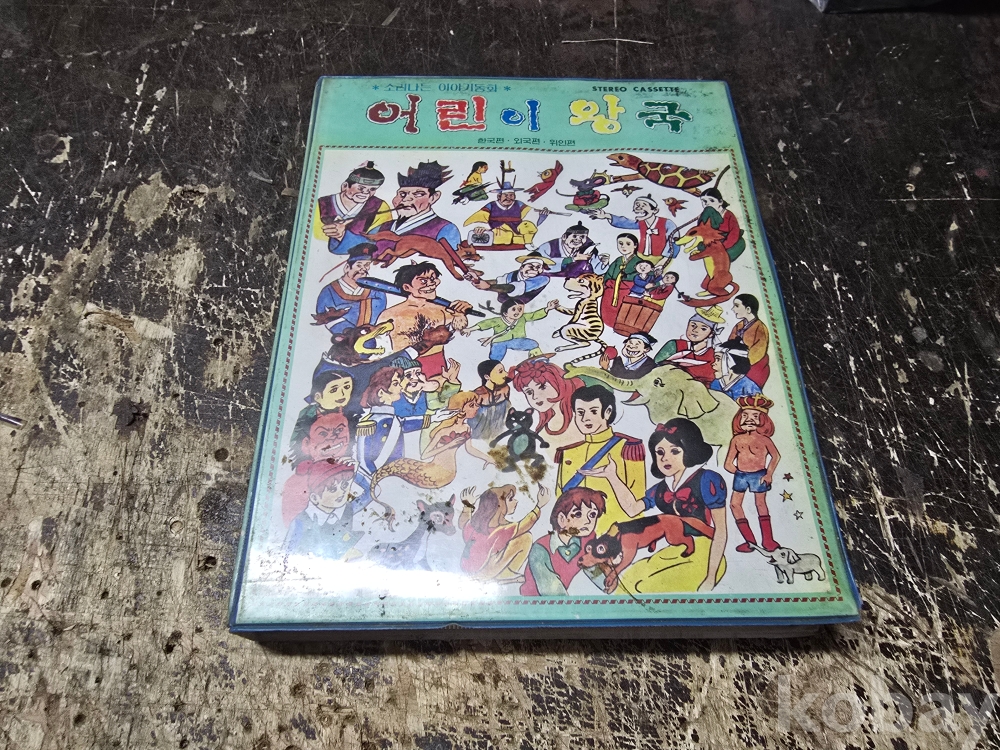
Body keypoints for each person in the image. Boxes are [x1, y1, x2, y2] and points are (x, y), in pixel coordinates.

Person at [614, 419, 729, 593]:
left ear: (689, 451)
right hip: (676, 548)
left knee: (645, 588)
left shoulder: (707, 480)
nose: (665, 458)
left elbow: (721, 531)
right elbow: (632, 509)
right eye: (659, 452)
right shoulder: (661, 488)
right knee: (628, 581)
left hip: (705, 553)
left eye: (674, 451)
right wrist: (612, 476)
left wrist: (710, 577)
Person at [554, 384, 645, 534]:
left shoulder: (628, 447)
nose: (585, 418)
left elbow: (638, 501)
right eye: (580, 412)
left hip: (616, 533)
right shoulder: (567, 452)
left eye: (593, 411)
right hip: (576, 535)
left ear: (607, 412)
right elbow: (560, 501)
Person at [375, 261, 471, 379]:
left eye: (433, 279)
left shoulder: (443, 310)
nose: (431, 284)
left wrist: (461, 314)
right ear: (407, 287)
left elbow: (460, 327)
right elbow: (379, 348)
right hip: (404, 368)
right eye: (423, 281)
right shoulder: (391, 315)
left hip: (437, 365)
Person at [520, 487, 607, 596]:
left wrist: (607, 584)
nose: (588, 521)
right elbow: (552, 592)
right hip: (532, 600)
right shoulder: (540, 549)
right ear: (561, 519)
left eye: (592, 515)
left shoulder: (587, 541)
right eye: (578, 514)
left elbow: (592, 569)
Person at [458, 484, 550, 583]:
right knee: (525, 537)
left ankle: (503, 574)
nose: (516, 501)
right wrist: (539, 506)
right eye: (510, 499)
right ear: (500, 505)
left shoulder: (474, 525)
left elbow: (462, 524)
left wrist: (467, 506)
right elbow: (525, 524)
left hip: (466, 571)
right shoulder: (500, 531)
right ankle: (505, 575)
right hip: (482, 574)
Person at [724, 394, 781, 553]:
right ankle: (750, 542)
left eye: (755, 416)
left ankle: (768, 540)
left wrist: (769, 474)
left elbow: (776, 456)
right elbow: (728, 463)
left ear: (763, 420)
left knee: (760, 504)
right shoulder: (736, 440)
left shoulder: (764, 440)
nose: (749, 419)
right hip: (741, 476)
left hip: (759, 475)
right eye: (745, 415)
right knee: (735, 504)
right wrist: (738, 473)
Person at [369, 161, 462, 252]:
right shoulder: (383, 227)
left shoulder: (446, 229)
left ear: (433, 197)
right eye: (402, 194)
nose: (406, 199)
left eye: (418, 194)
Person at [283, 461, 364, 561]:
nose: (342, 492)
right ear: (314, 498)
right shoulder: (300, 522)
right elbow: (286, 554)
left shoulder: (347, 509)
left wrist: (356, 472)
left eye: (344, 486)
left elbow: (371, 492)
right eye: (333, 489)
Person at [313, 161, 391, 255]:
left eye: (372, 189)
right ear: (345, 186)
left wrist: (343, 235)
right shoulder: (322, 204)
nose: (366, 193)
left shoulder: (380, 207)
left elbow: (381, 242)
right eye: (361, 188)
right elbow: (315, 236)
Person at [390, 355, 459, 458]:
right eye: (408, 375)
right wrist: (431, 418)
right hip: (399, 445)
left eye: (418, 373)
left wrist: (452, 380)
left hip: (423, 443)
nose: (415, 378)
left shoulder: (426, 395)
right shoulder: (393, 399)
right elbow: (397, 424)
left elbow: (444, 400)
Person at [508, 358, 585, 447]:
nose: (535, 396)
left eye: (542, 387)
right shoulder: (544, 425)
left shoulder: (581, 415)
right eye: (529, 392)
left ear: (559, 383)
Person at [314, 243, 387, 332]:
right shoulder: (328, 292)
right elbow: (323, 317)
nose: (363, 269)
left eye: (367, 265)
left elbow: (381, 313)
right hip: (342, 336)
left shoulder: (376, 291)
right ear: (347, 267)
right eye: (359, 265)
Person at [588, 194, 678, 262]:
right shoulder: (641, 223)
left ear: (655, 210)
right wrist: (606, 215)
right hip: (641, 256)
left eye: (643, 205)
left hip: (661, 258)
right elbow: (625, 222)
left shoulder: (667, 223)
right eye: (637, 205)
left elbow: (675, 241)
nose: (639, 208)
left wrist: (666, 257)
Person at [468, 298, 557, 362]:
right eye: (514, 309)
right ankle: (493, 367)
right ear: (505, 313)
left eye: (520, 309)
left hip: (517, 340)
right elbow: (484, 324)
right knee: (495, 357)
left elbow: (534, 315)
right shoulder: (497, 321)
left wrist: (547, 309)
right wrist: (470, 329)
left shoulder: (522, 318)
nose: (517, 312)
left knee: (533, 344)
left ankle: (538, 360)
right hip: (500, 342)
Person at [653, 306, 725, 384]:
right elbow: (655, 365)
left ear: (711, 334)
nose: (695, 330)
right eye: (693, 325)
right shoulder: (674, 345)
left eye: (703, 329)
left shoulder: (714, 355)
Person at [355, 366, 406, 477]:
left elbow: (408, 423)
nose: (401, 387)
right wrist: (374, 477)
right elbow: (363, 460)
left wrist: (434, 417)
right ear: (381, 393)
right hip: (376, 478)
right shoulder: (370, 423)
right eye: (395, 384)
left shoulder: (395, 420)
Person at [463, 181, 547, 245]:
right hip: (498, 232)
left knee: (527, 226)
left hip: (517, 232)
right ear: (499, 196)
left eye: (511, 195)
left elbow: (531, 215)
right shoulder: (492, 205)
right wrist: (481, 227)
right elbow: (478, 217)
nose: (509, 198)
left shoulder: (518, 204)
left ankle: (528, 243)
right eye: (506, 195)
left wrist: (541, 216)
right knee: (502, 237)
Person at [467, 251, 554, 306]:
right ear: (522, 268)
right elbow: (498, 281)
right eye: (530, 266)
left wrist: (489, 287)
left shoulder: (543, 278)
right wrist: (477, 280)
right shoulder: (515, 274)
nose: (534, 269)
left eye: (538, 267)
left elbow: (514, 287)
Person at [600, 233, 647, 327]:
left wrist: (627, 280)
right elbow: (608, 274)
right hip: (611, 292)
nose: (623, 246)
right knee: (607, 314)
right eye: (620, 243)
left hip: (627, 292)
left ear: (635, 245)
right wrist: (608, 282)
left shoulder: (640, 262)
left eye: (628, 244)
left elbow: (645, 276)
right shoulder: (618, 260)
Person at [728, 294, 770, 387]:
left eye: (736, 306)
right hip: (736, 364)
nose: (733, 309)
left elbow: (758, 352)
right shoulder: (739, 325)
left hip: (755, 367)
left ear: (748, 309)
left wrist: (741, 365)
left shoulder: (760, 328)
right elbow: (730, 343)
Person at [698, 187, 745, 263]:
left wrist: (722, 247)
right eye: (704, 201)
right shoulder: (705, 215)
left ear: (720, 202)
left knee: (739, 245)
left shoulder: (728, 215)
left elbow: (734, 233)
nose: (707, 203)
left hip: (727, 242)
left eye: (711, 200)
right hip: (712, 242)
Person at [469, 359, 511, 442]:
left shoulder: (505, 389)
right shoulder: (478, 394)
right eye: (500, 371)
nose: (506, 374)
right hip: (479, 436)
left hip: (500, 434)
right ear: (487, 377)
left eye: (504, 370)